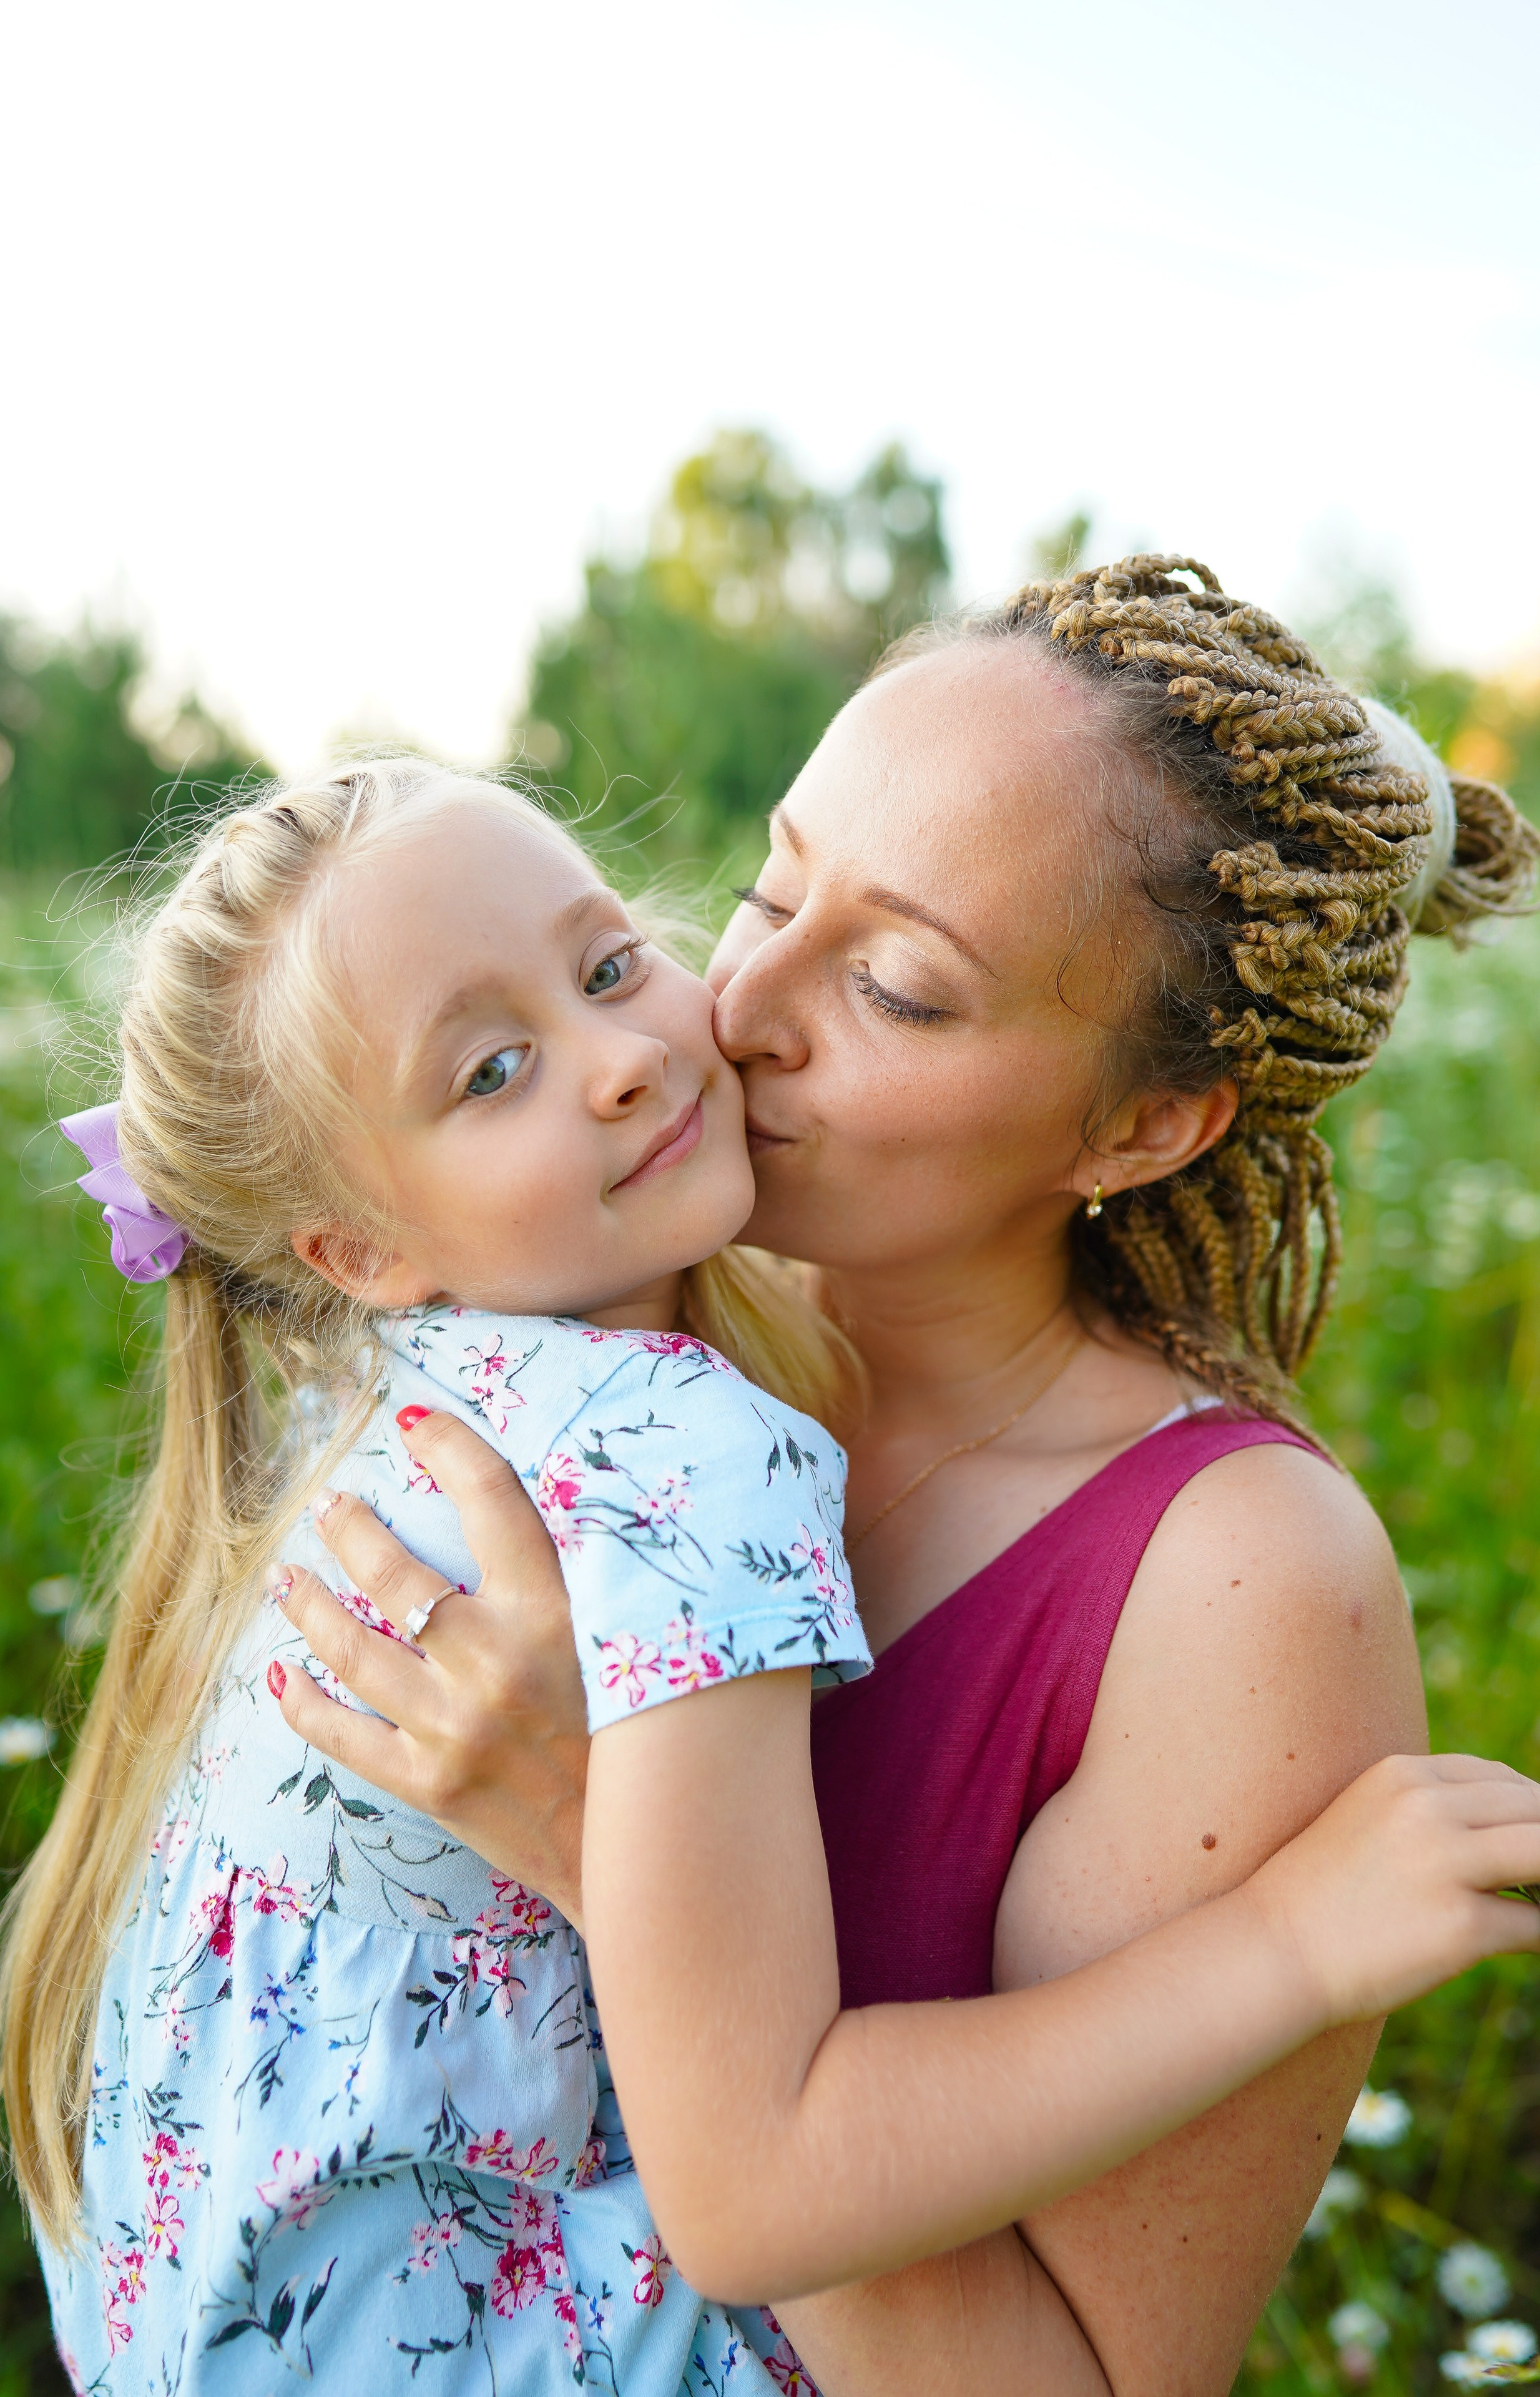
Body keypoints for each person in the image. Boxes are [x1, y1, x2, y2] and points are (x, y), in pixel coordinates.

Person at [269, 557, 1540, 2394]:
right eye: (773, 886)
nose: (744, 1004)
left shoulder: (1236, 1578)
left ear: (1140, 1126)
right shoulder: (605, 1300)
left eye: (893, 985)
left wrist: (591, 1845)